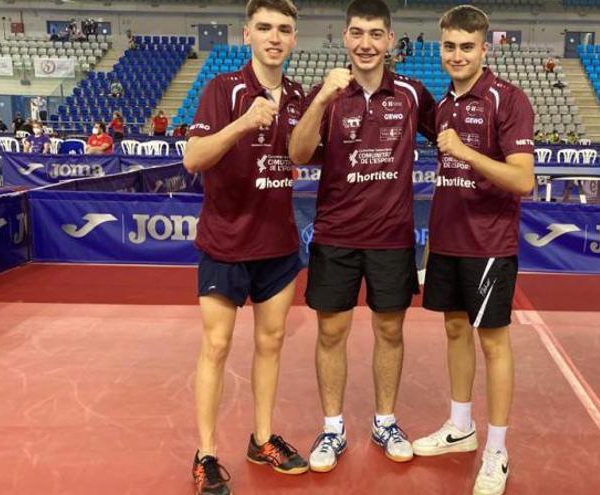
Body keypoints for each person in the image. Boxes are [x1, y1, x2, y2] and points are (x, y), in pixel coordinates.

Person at [288, 0, 436, 474]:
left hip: (392, 237)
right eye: (357, 33)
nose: (366, 43)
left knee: (389, 331)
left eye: (376, 34)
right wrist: (320, 101)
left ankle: (385, 421)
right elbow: (297, 153)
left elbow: (451, 136)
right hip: (335, 235)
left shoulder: (413, 93)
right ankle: (333, 427)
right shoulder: (327, 94)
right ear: (344, 38)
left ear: (390, 40)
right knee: (331, 332)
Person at [183, 1, 309, 494]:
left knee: (271, 343)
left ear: (294, 38)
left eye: (283, 29)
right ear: (247, 35)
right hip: (226, 241)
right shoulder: (222, 89)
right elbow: (194, 157)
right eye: (264, 28)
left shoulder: (299, 96)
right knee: (216, 347)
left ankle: (261, 438)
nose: (274, 37)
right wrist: (242, 124)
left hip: (277, 244)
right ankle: (207, 453)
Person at [412, 7, 534, 495]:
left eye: (467, 46)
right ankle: (460, 427)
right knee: (454, 328)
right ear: (439, 48)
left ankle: (497, 449)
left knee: (493, 342)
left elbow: (523, 179)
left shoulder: (509, 99)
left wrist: (465, 153)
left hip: (489, 243)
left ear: (485, 48)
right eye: (449, 46)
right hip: (446, 238)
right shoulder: (441, 105)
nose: (457, 55)